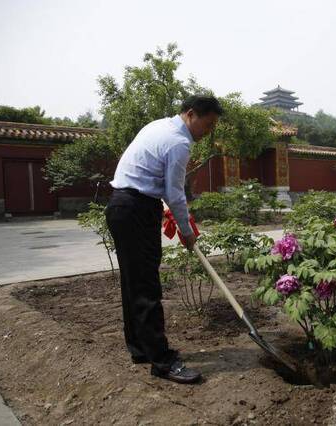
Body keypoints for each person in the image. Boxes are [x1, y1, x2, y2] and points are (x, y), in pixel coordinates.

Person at [105, 96, 223, 383]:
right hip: (136, 209)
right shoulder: (179, 142)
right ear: (191, 114)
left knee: (134, 283)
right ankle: (162, 361)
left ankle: (140, 348)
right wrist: (186, 230)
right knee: (146, 286)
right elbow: (174, 193)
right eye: (207, 125)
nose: (207, 132)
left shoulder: (157, 126)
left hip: (122, 206)